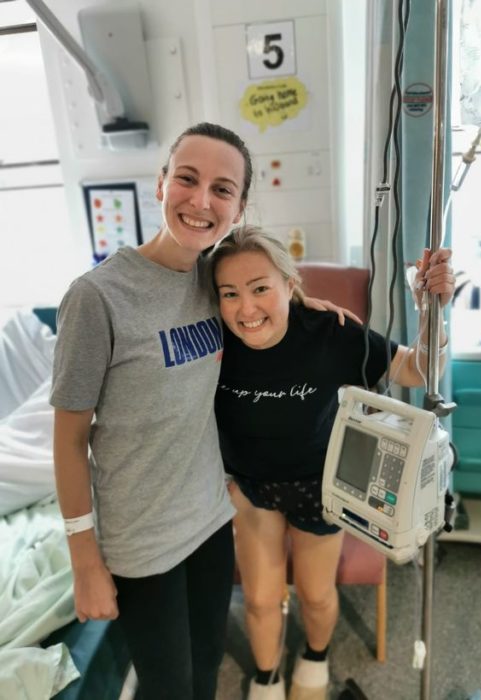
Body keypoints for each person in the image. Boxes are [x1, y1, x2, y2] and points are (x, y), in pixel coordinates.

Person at [50, 122, 352, 700]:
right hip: (141, 540)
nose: (201, 200)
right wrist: (85, 561)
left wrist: (302, 304)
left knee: (208, 662)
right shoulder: (98, 299)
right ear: (161, 184)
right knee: (170, 687)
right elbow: (68, 440)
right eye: (187, 180)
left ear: (237, 208)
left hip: (211, 520)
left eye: (222, 189)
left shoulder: (215, 280)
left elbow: (263, 300)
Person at [208, 226, 455, 700]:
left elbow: (416, 369)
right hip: (252, 487)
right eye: (229, 294)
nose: (246, 308)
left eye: (261, 288)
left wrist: (430, 314)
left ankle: (315, 658)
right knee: (259, 598)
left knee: (316, 593)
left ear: (289, 284)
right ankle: (266, 677)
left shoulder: (330, 332)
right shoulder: (214, 340)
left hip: (322, 487)